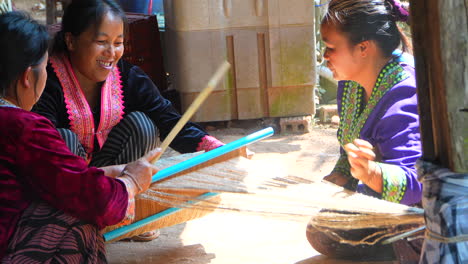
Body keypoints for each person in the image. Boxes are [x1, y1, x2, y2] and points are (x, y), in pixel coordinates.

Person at [32, 0, 224, 241]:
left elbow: (167, 119)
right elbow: (39, 149)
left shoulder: (128, 76)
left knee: (142, 125)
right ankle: (76, 224)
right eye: (101, 42)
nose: (111, 53)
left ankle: (125, 213)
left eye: (118, 43)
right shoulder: (47, 82)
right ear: (71, 41)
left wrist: (212, 148)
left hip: (113, 174)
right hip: (69, 180)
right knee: (62, 139)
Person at [0, 11, 158, 262]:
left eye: (118, 42)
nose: (111, 51)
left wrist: (109, 173)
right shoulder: (22, 126)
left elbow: (44, 175)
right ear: (27, 77)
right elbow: (93, 199)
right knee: (77, 213)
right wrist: (131, 183)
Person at [306, 0, 423, 261]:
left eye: (331, 47)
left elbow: (417, 184)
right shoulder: (352, 83)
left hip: (423, 215)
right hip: (383, 199)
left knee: (327, 233)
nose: (325, 56)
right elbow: (351, 143)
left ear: (362, 48)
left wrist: (371, 173)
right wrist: (342, 174)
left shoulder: (404, 93)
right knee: (322, 227)